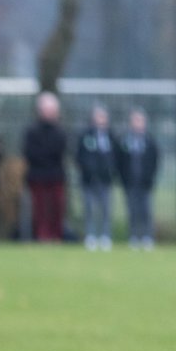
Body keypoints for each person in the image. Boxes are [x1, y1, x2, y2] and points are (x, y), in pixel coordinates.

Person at [22, 91, 69, 242]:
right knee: (40, 209)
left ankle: (56, 236)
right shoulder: (32, 132)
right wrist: (46, 156)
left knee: (57, 208)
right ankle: (42, 236)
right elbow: (31, 153)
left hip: (55, 176)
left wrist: (44, 155)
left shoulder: (60, 132)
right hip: (37, 176)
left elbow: (59, 152)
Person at [115, 108, 160, 250]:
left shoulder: (150, 142)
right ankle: (134, 237)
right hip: (130, 182)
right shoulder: (125, 141)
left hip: (145, 183)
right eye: (135, 121)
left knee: (146, 211)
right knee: (132, 211)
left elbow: (155, 161)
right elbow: (119, 161)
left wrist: (150, 178)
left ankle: (147, 237)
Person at [76, 104, 118, 251]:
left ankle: (106, 236)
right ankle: (90, 236)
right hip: (89, 179)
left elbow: (115, 158)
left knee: (106, 209)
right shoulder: (86, 136)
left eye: (103, 117)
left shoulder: (111, 136)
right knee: (89, 209)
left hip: (105, 180)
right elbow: (79, 156)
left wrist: (110, 172)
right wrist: (87, 171)